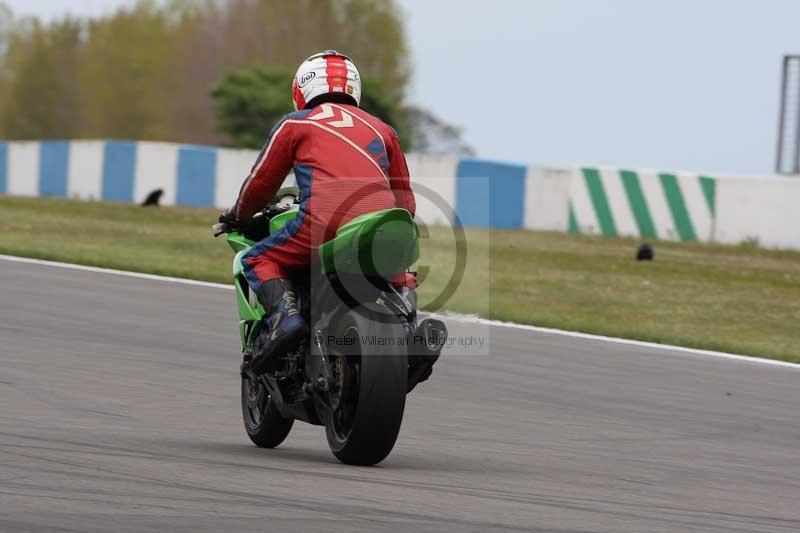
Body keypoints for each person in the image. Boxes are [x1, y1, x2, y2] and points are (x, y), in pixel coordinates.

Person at [220, 50, 416, 368]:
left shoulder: (296, 124)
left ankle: (285, 319)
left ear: (301, 89)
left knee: (256, 258)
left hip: (323, 223)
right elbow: (405, 201)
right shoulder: (384, 130)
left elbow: (260, 184)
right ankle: (409, 331)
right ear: (354, 87)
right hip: (385, 226)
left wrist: (237, 216)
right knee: (398, 270)